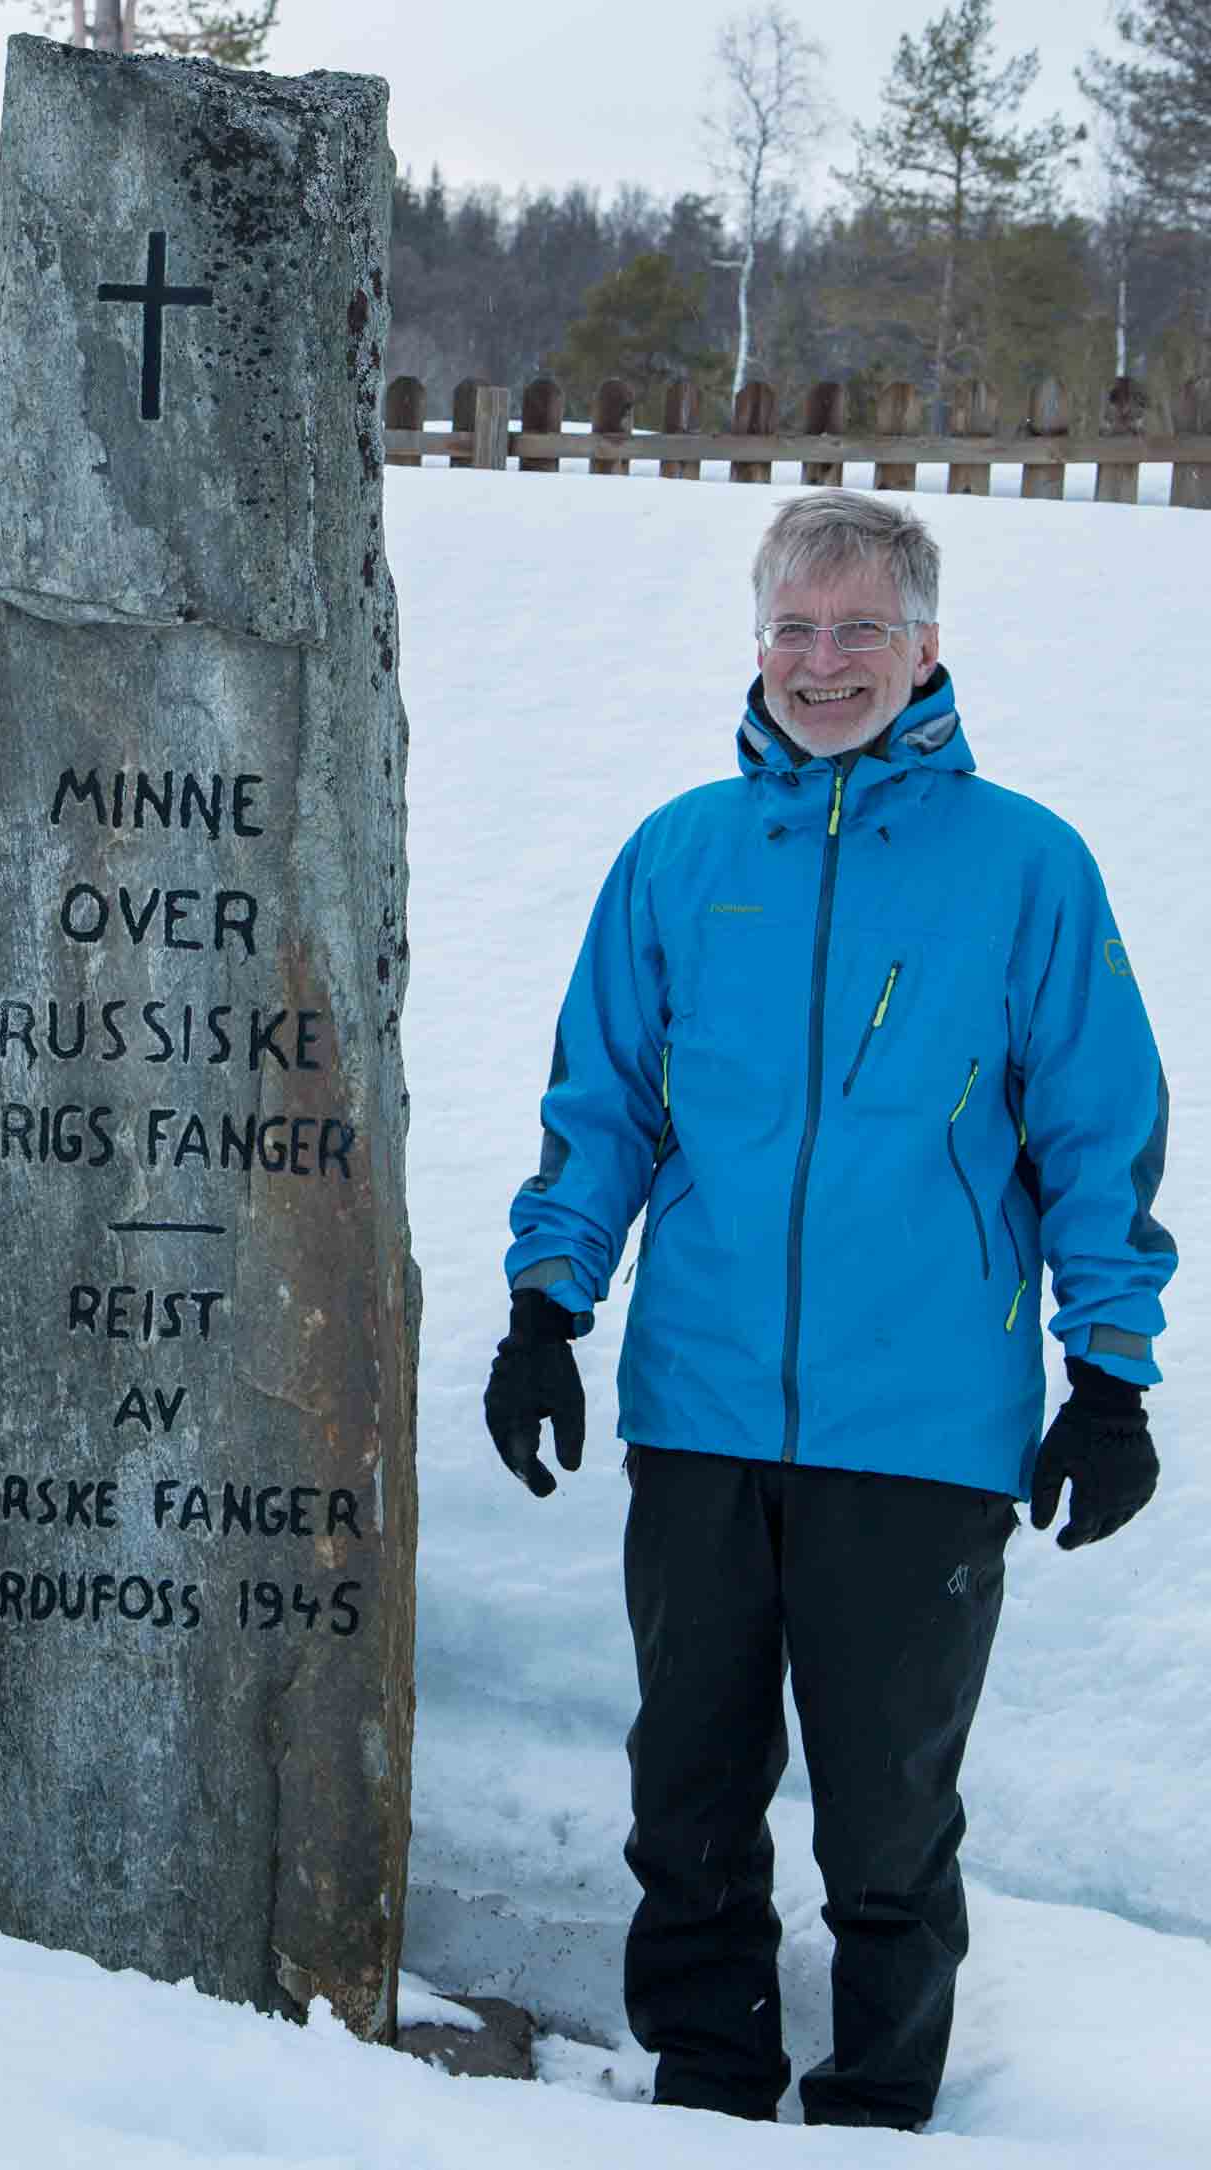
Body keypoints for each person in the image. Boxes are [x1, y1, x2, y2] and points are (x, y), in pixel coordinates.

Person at [483, 490, 1173, 2131]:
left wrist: (1113, 1371)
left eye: (861, 627)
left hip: (924, 1425)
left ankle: (877, 2109)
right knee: (693, 1796)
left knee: (885, 1818)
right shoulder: (682, 856)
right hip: (703, 1410)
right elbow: (605, 1111)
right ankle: (707, 2093)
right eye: (794, 627)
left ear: (927, 645)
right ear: (758, 643)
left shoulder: (1025, 869)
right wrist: (545, 1306)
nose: (824, 660)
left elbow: (1096, 1133)